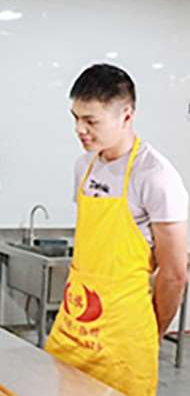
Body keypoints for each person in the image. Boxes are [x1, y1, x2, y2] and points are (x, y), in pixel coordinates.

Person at [45, 64, 188, 396]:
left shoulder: (155, 176)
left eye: (91, 121)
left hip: (122, 341)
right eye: (75, 118)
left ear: (126, 115)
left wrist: (150, 333)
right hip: (72, 328)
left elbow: (175, 273)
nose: (80, 129)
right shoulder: (84, 166)